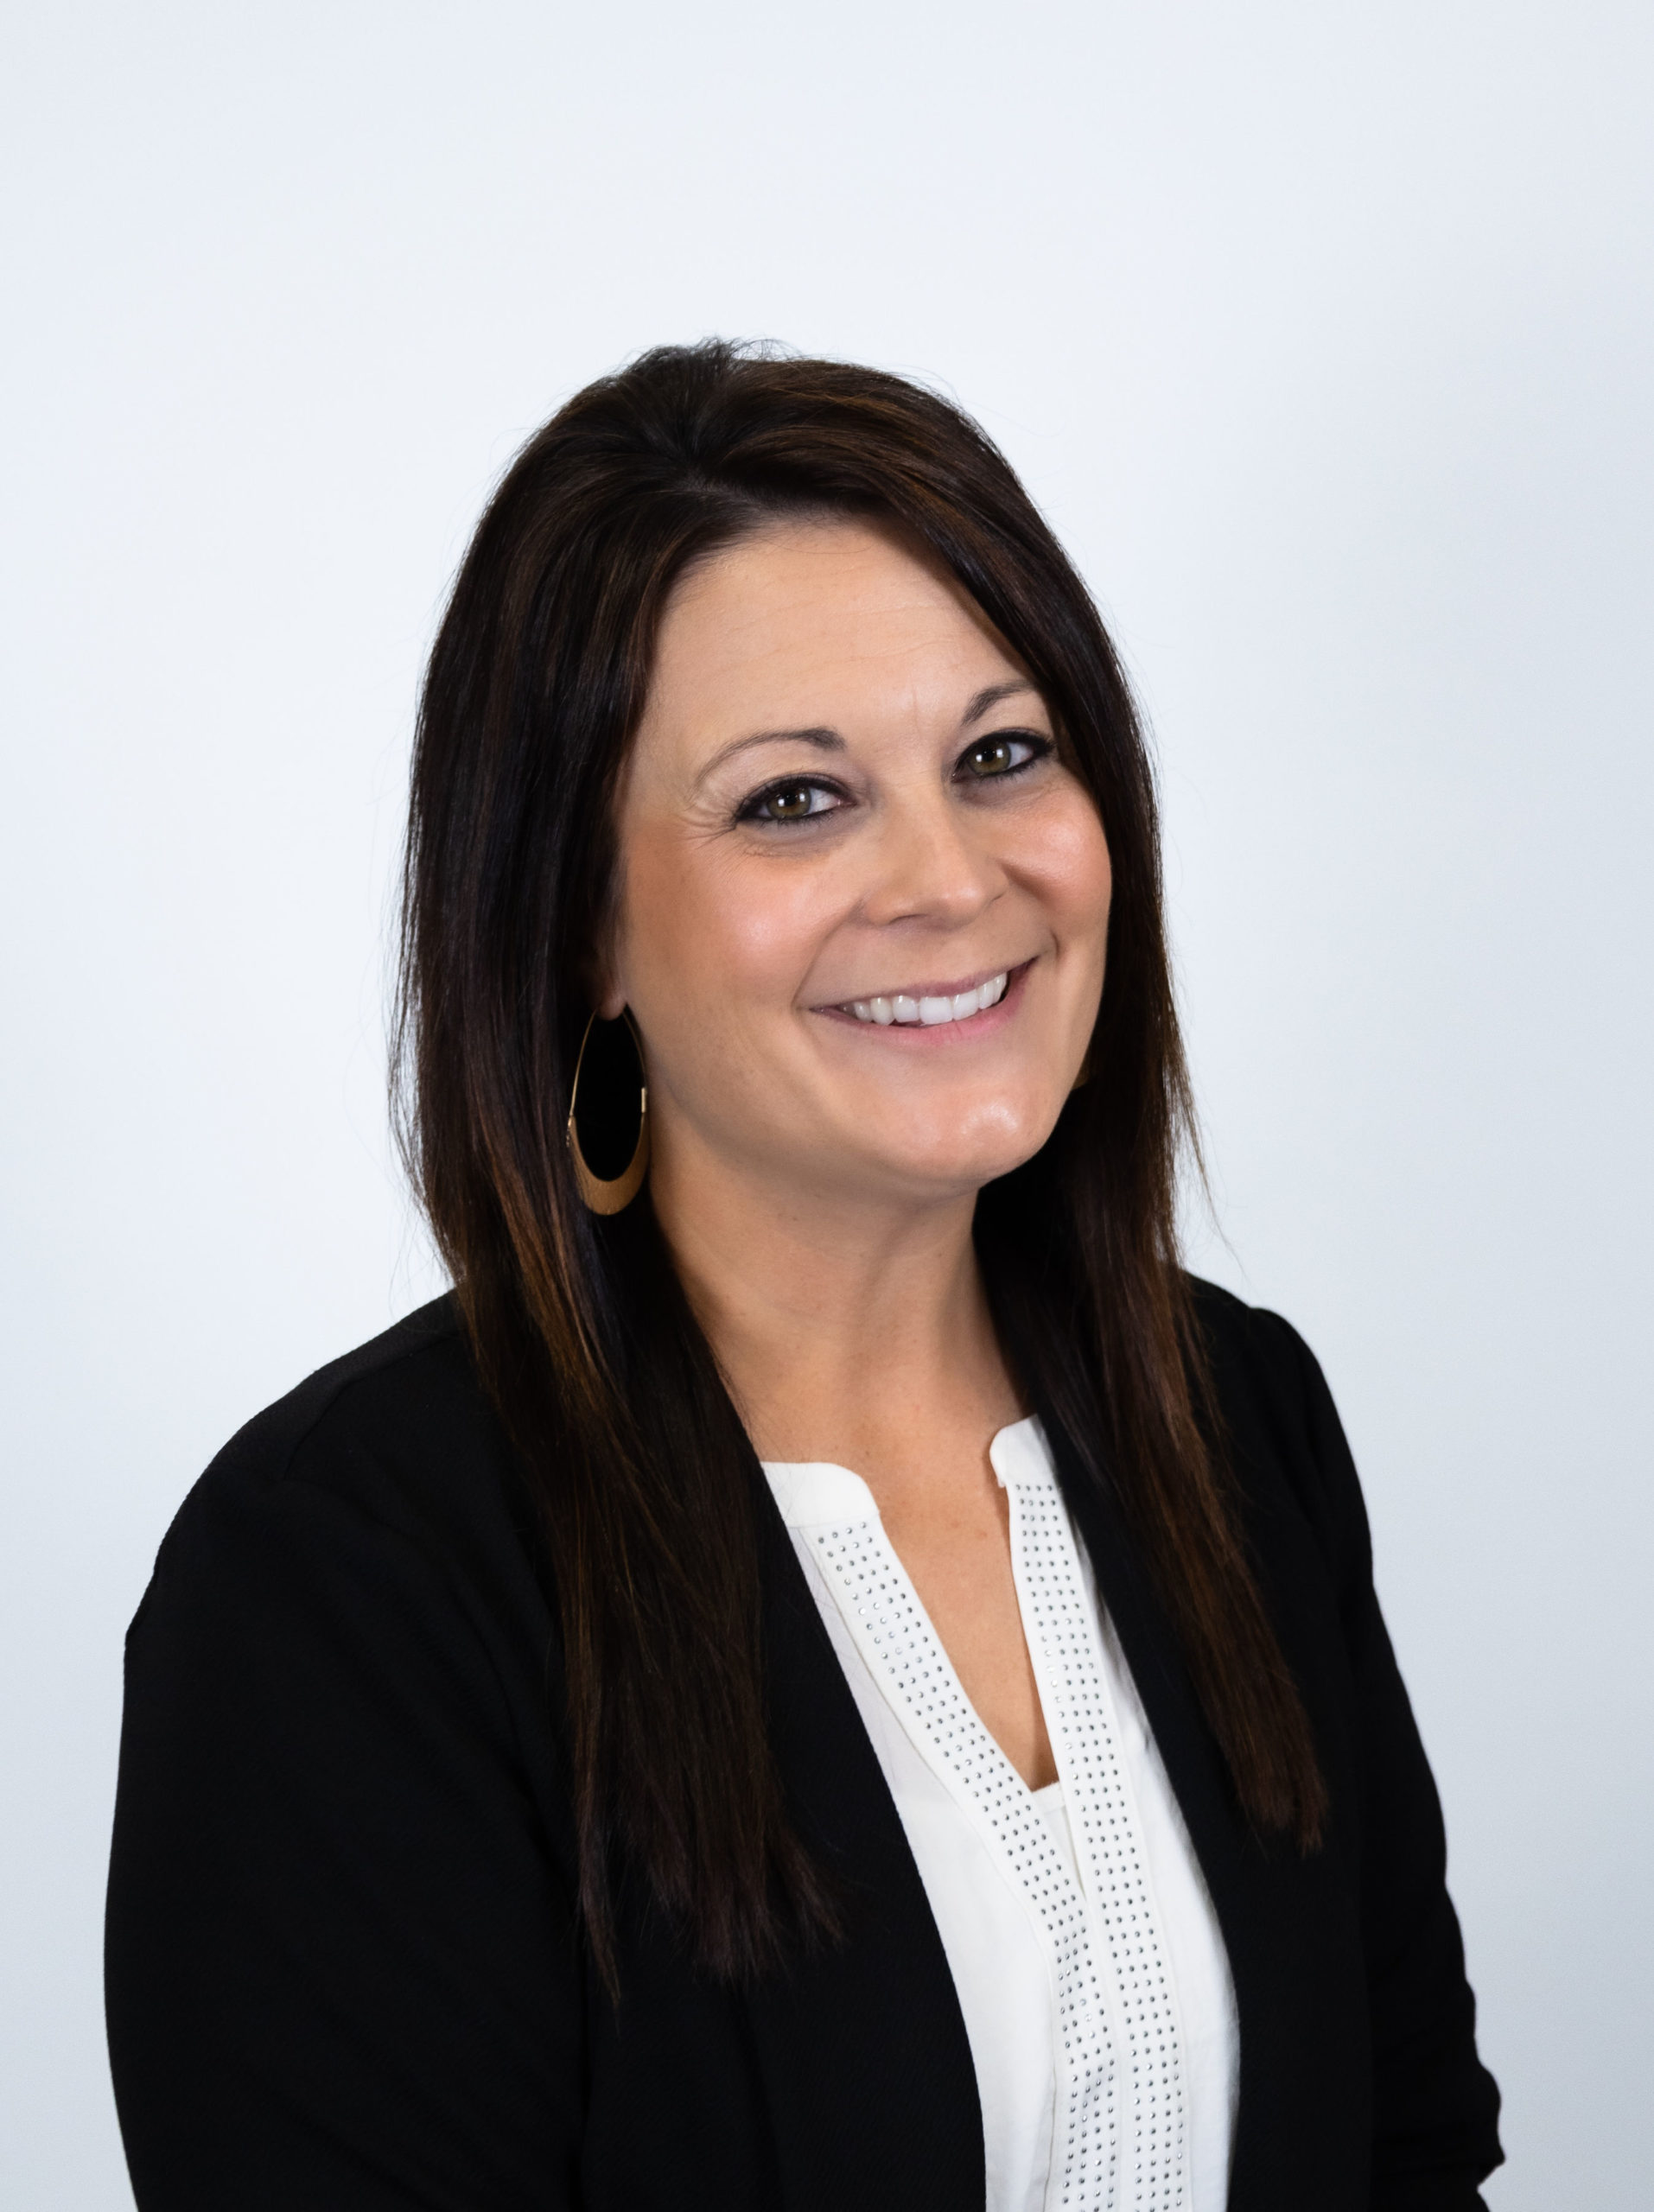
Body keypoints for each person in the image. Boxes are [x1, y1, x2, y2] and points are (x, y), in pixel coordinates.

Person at [104, 341, 1503, 2212]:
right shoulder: (347, 1580)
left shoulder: (1238, 1418)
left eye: (1002, 753)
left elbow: (1411, 2159)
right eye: (794, 800)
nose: (949, 876)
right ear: (575, 920)